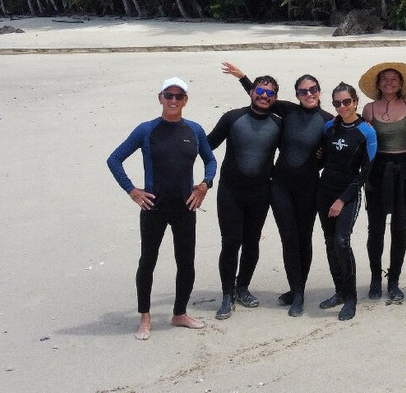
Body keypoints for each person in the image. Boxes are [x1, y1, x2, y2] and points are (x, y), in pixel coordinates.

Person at [107, 76, 216, 340]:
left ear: (186, 101)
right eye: (169, 95)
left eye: (179, 97)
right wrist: (132, 191)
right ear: (160, 98)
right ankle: (145, 318)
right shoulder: (146, 130)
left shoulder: (195, 130)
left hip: (185, 207)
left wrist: (204, 186)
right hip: (154, 207)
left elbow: (211, 161)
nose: (174, 101)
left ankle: (179, 313)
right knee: (148, 261)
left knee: (186, 262)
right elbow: (114, 159)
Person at [221, 62, 332, 317]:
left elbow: (333, 153)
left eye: (313, 89)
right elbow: (261, 97)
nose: (309, 94)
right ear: (296, 95)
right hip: (280, 187)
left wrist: (319, 162)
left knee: (304, 239)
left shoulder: (327, 121)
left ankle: (299, 292)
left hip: (308, 188)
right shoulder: (288, 111)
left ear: (319, 91)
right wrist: (243, 77)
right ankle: (295, 288)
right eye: (303, 91)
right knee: (288, 238)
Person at [206, 75, 283, 320]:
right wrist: (202, 179)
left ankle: (243, 287)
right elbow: (206, 147)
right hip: (230, 191)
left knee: (252, 242)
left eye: (270, 93)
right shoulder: (232, 118)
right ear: (252, 92)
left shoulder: (279, 123)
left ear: (275, 98)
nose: (264, 96)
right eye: (260, 91)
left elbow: (294, 150)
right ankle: (227, 294)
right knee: (230, 242)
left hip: (261, 192)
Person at [358, 61, 406, 304]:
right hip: (378, 170)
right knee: (375, 227)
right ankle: (376, 278)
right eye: (384, 78)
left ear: (401, 83)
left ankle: (394, 280)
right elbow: (361, 139)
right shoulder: (369, 109)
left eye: (394, 79)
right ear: (377, 83)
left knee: (400, 226)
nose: (389, 82)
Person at [317, 82, 378, 321]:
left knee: (342, 241)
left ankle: (351, 298)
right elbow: (323, 161)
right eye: (337, 103)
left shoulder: (367, 132)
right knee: (330, 242)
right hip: (324, 191)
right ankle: (339, 291)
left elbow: (365, 171)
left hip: (348, 194)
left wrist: (342, 200)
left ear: (355, 102)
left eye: (346, 102)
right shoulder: (329, 127)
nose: (342, 107)